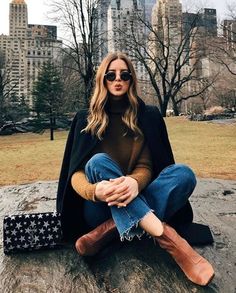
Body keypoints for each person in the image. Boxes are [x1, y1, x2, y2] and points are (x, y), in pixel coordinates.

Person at [56, 52, 214, 286]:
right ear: (102, 79)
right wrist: (95, 191)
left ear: (132, 80)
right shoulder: (85, 119)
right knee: (97, 162)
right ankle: (169, 239)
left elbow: (146, 166)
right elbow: (76, 174)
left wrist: (134, 182)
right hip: (100, 205)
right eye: (111, 75)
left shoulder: (147, 116)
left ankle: (109, 230)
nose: (117, 79)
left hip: (135, 195)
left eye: (124, 75)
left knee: (183, 174)